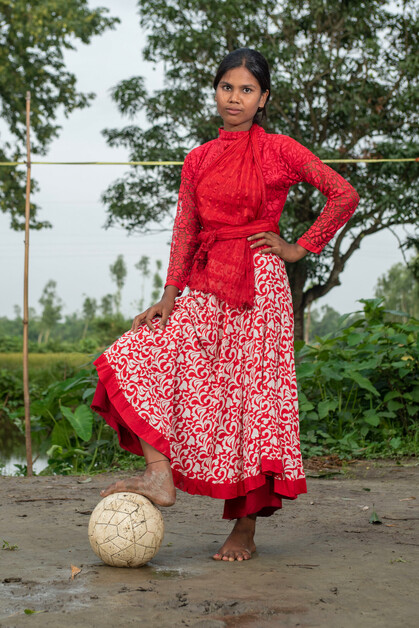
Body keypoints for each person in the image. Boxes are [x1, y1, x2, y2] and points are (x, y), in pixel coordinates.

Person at [91, 48, 359, 562]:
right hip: (206, 280)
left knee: (249, 407)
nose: (235, 98)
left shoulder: (280, 150)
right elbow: (185, 229)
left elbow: (342, 194)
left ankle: (244, 532)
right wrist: (168, 298)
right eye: (226, 87)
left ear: (263, 100)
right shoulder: (199, 158)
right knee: (137, 353)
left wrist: (300, 247)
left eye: (247, 90)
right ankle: (159, 475)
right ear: (215, 91)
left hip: (260, 287)